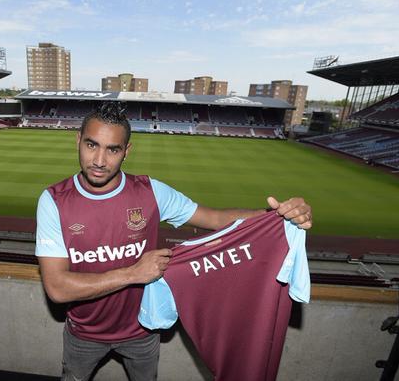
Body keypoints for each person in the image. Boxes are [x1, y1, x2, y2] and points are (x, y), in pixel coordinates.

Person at [35, 103, 312, 381]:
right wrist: (132, 274)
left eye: (113, 149)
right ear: (78, 141)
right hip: (83, 335)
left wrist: (279, 216)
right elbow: (57, 288)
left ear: (126, 151)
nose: (99, 160)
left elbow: (215, 218)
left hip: (143, 330)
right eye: (91, 145)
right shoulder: (54, 201)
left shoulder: (150, 192)